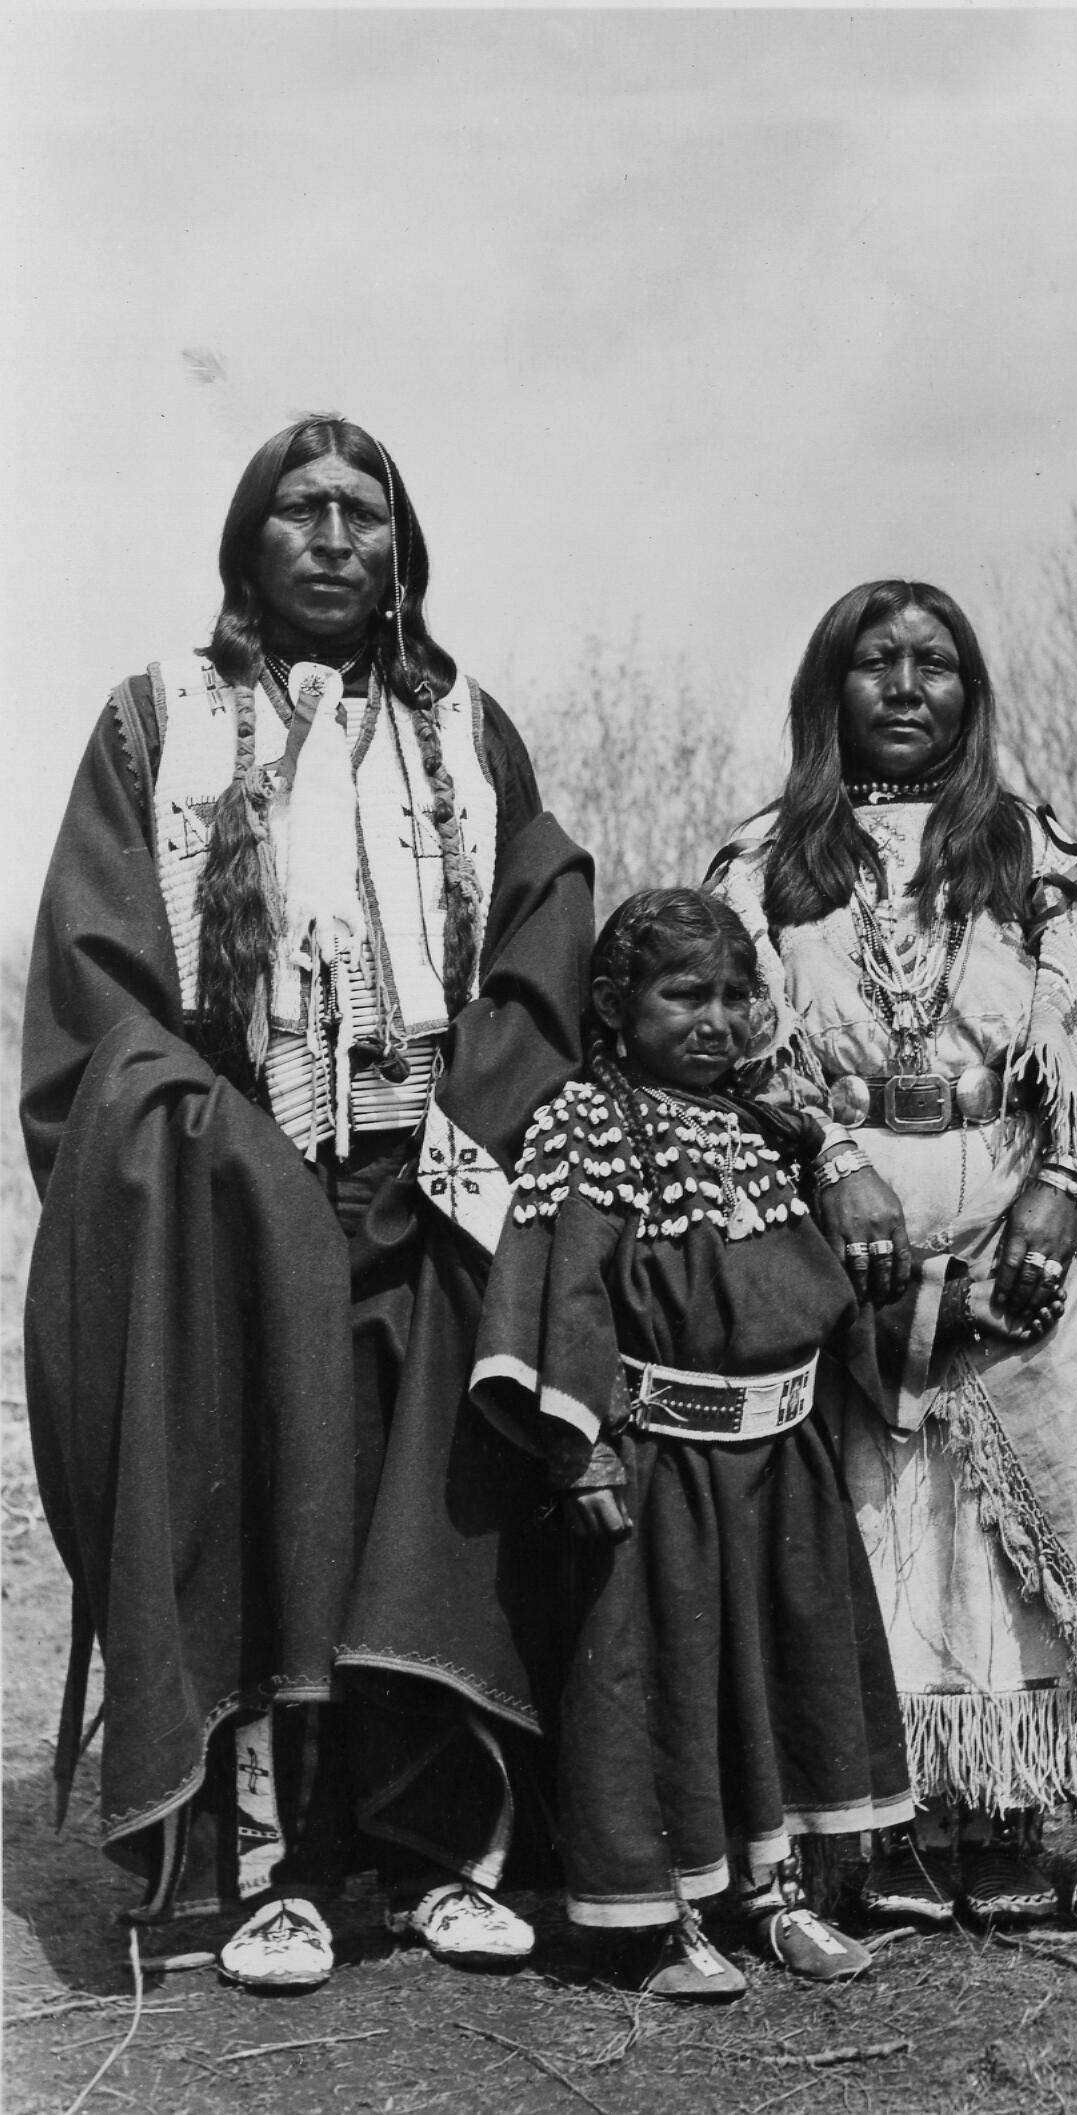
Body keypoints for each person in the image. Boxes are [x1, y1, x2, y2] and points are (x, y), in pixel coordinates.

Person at [21, 417, 593, 1989]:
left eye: (367, 511)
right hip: (233, 1191)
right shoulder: (158, 722)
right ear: (246, 542)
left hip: (437, 1185)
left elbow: (543, 922)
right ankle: (267, 1869)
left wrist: (471, 1125)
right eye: (303, 508)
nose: (337, 535)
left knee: (435, 1502)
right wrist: (217, 1143)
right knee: (265, 1491)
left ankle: (434, 1855)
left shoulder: (468, 730)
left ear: (404, 551)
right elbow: (97, 981)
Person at [706, 580, 1077, 1925]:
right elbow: (717, 1037)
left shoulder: (1039, 854)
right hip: (849, 1242)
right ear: (830, 690)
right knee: (885, 1524)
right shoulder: (764, 863)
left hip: (1027, 1222)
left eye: (935, 661)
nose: (905, 683)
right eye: (873, 661)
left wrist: (1060, 1190)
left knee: (1031, 1533)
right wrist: (826, 1154)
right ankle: (890, 1818)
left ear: (970, 689)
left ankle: (1024, 1810)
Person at [470, 888, 914, 1999]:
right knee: (658, 1676)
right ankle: (657, 1917)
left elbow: (826, 1289)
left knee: (776, 1671)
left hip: (783, 1466)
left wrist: (932, 1308)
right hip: (661, 1466)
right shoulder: (590, 1123)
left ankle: (772, 1895)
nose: (713, 1019)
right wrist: (585, 1450)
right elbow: (561, 1293)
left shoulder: (774, 1126)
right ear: (617, 1007)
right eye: (683, 995)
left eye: (732, 996)